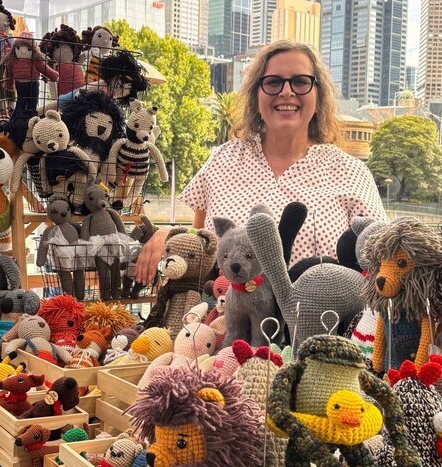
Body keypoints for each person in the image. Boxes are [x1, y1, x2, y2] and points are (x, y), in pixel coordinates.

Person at [134, 40, 387, 285]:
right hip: (230, 321)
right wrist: (166, 234)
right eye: (273, 82)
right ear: (256, 94)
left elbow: (386, 258)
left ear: (318, 96)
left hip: (324, 324)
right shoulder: (222, 160)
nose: (286, 91)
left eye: (300, 81)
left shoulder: (351, 172)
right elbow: (199, 240)